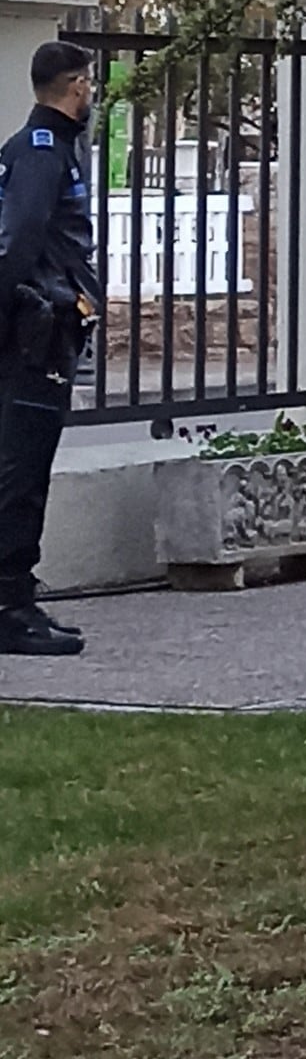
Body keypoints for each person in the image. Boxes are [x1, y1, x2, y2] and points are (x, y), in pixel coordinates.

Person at [0, 38, 100, 658]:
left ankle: (17, 596)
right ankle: (10, 607)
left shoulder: (33, 147)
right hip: (37, 337)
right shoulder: (43, 154)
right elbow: (19, 243)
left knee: (21, 468)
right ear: (77, 86)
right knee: (23, 473)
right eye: (89, 85)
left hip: (40, 331)